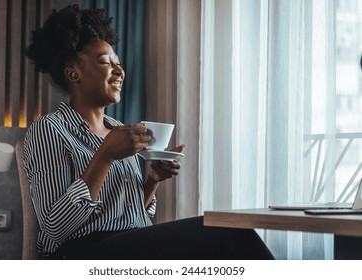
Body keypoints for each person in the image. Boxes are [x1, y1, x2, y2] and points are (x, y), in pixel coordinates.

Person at [23, 4, 274, 260]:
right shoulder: (48, 130)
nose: (119, 71)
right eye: (104, 63)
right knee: (228, 232)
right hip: (81, 253)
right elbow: (54, 228)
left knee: (229, 235)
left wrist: (152, 179)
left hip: (126, 243)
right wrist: (105, 155)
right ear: (73, 73)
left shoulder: (119, 130)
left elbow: (130, 215)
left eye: (118, 64)